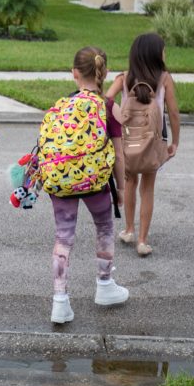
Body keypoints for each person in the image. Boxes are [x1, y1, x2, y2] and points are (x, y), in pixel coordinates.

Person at [48, 46, 128, 325]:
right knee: (105, 227)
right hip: (96, 182)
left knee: (63, 237)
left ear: (74, 74)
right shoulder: (108, 107)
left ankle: (60, 302)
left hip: (61, 180)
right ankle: (105, 286)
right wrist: (122, 189)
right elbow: (118, 154)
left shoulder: (61, 106)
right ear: (103, 72)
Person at [106, 33, 181, 257]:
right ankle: (142, 241)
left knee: (129, 182)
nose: (165, 53)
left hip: (127, 140)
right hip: (153, 141)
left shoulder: (124, 78)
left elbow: (106, 101)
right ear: (155, 54)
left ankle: (128, 230)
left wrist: (118, 120)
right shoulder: (164, 79)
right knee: (147, 188)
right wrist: (175, 141)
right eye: (163, 49)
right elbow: (174, 113)